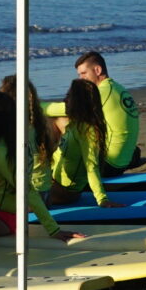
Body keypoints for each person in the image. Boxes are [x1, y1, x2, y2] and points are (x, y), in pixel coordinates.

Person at [0, 89, 78, 241]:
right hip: (0, 207)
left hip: (1, 216)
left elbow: (27, 190)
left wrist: (54, 230)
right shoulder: (9, 142)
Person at [73, 51, 142, 172]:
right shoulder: (117, 87)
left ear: (97, 70)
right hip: (126, 157)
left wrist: (39, 106)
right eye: (79, 75)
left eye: (84, 73)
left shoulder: (101, 92)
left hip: (110, 163)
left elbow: (67, 110)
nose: (80, 79)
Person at [49, 78, 113, 207]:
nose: (66, 98)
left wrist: (102, 199)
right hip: (54, 182)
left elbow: (91, 166)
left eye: (69, 95)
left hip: (64, 191)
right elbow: (42, 108)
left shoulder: (88, 131)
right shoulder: (73, 123)